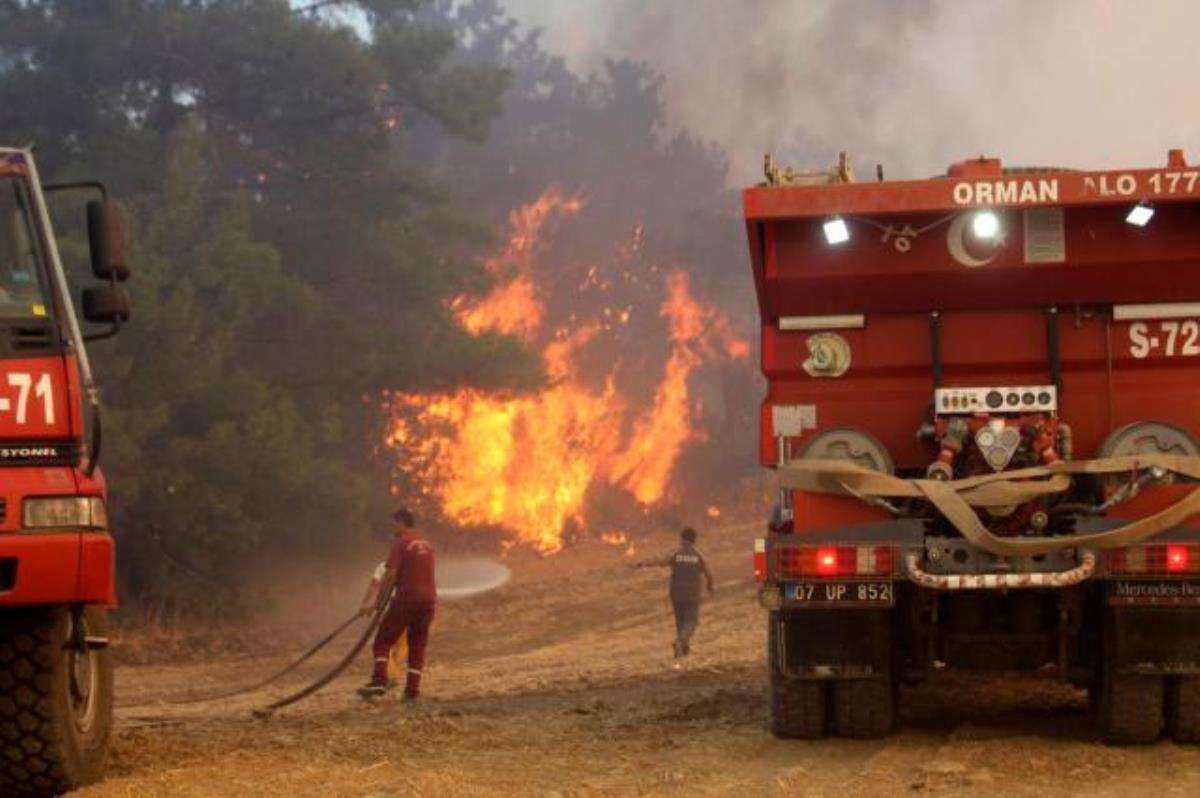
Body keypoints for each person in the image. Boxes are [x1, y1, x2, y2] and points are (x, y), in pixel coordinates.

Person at [358, 508, 437, 699]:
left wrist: (378, 604)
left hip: (406, 599)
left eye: (393, 523)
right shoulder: (427, 545)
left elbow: (391, 574)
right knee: (417, 645)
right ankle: (412, 691)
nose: (392, 527)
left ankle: (379, 681)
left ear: (401, 522)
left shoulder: (401, 543)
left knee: (382, 641)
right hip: (429, 602)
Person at [636, 527, 714, 663]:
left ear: (682, 539)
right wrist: (710, 586)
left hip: (676, 594)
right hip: (692, 595)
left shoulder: (676, 554)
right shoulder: (698, 556)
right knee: (691, 622)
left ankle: (683, 650)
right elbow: (708, 573)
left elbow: (660, 561)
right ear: (694, 540)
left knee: (680, 622)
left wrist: (643, 563)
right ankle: (680, 642)